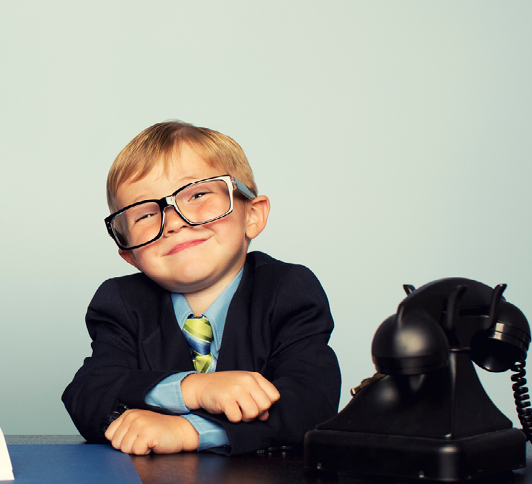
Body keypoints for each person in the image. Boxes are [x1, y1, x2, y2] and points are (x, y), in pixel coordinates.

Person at [62, 121, 339, 455]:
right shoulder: (122, 303)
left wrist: (189, 430)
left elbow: (312, 403)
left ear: (252, 215)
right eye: (145, 215)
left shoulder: (288, 290)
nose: (175, 222)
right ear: (129, 254)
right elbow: (88, 393)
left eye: (197, 194)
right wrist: (192, 389)